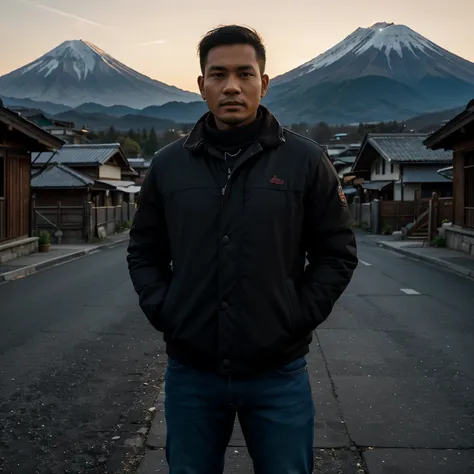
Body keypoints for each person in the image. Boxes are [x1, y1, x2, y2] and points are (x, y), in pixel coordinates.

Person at [127, 25, 358, 474]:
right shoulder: (168, 165)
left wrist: (294, 318)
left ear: (264, 82)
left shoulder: (306, 161)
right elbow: (144, 251)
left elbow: (336, 252)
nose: (231, 86)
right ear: (201, 85)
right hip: (192, 371)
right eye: (218, 74)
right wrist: (167, 310)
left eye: (244, 74)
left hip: (278, 372)